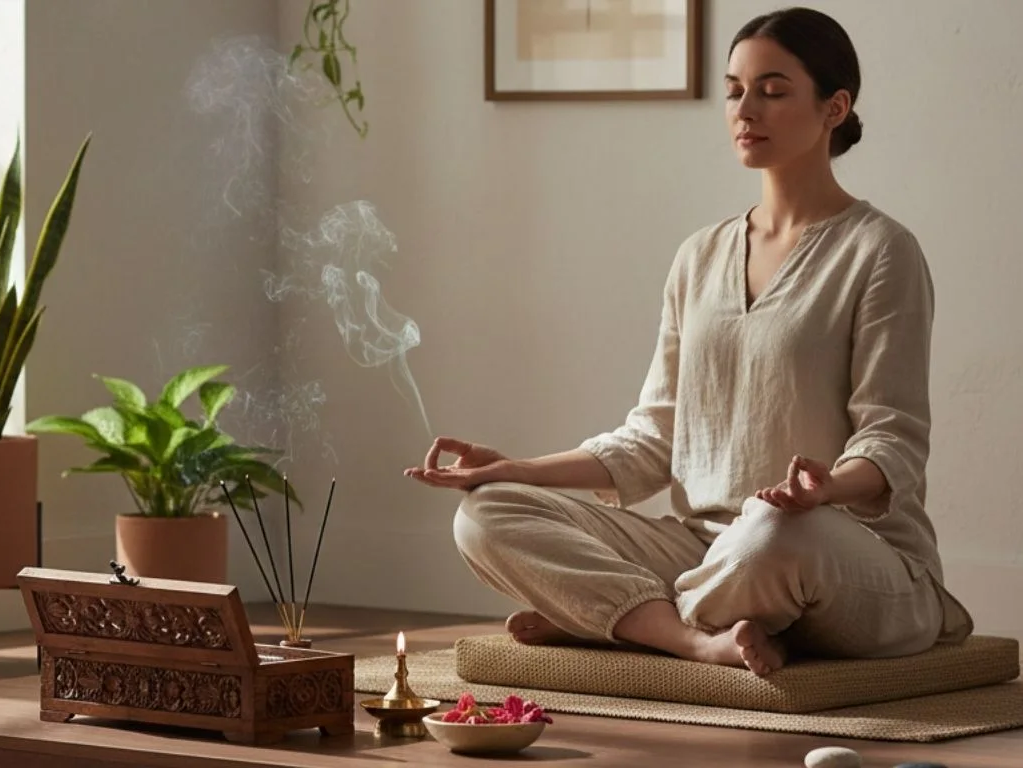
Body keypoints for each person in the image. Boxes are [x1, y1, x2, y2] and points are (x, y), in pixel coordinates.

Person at [404, 7, 973, 676]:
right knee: (485, 516)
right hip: (705, 550)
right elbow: (654, 438)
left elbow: (892, 439)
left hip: (836, 549)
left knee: (770, 532)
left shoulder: (881, 251)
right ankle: (693, 639)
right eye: (734, 90)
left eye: (773, 90)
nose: (745, 110)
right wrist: (515, 470)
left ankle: (616, 618)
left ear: (835, 108)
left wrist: (826, 489)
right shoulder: (699, 256)